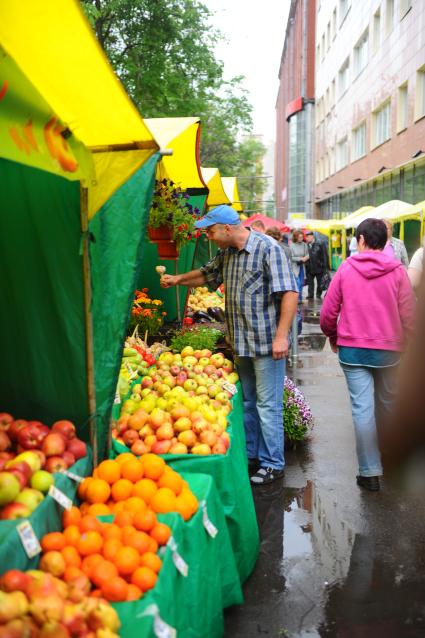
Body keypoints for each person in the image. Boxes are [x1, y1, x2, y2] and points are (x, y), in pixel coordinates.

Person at [160, 204, 299, 485]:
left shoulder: (267, 248)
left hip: (266, 344)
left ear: (226, 228)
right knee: (248, 402)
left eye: (210, 231)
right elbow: (205, 275)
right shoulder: (227, 253)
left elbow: (289, 293)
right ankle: (251, 456)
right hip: (241, 343)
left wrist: (282, 336)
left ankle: (273, 463)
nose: (208, 237)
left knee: (268, 405)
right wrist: (177, 280)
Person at [320, 218, 415, 492]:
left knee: (362, 410)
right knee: (387, 405)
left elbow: (328, 312)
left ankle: (369, 471)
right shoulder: (398, 271)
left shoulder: (346, 269)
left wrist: (333, 337)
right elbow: (409, 315)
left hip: (353, 350)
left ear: (360, 240)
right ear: (386, 241)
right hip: (391, 351)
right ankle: (391, 459)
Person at [305, 231, 328, 299]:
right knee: (310, 282)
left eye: (308, 236)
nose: (307, 238)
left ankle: (318, 294)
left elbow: (325, 255)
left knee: (319, 282)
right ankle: (310, 294)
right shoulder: (306, 245)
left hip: (319, 266)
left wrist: (325, 266)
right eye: (306, 237)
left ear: (312, 236)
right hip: (309, 267)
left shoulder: (320, 243)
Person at [290, 230, 309, 303]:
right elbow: (291, 257)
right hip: (295, 266)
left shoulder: (304, 245)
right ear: (296, 237)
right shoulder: (292, 245)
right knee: (297, 282)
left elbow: (307, 254)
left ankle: (300, 299)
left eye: (301, 237)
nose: (301, 238)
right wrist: (300, 259)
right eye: (299, 237)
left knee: (301, 283)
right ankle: (296, 299)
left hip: (302, 266)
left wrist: (306, 257)